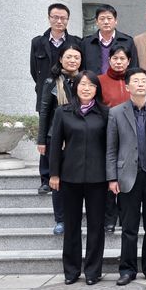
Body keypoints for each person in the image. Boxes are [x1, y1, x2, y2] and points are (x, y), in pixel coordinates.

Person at [106, 68, 146, 286]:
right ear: (127, 86)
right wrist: (112, 178)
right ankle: (127, 270)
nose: (141, 84)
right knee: (129, 228)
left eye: (144, 80)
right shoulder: (116, 113)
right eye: (136, 81)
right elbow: (111, 149)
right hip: (127, 177)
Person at [48, 71, 108, 286]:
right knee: (71, 225)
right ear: (75, 87)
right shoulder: (63, 112)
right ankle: (71, 270)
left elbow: (110, 147)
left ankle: (93, 271)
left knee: (96, 226)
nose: (86, 88)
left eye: (91, 85)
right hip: (70, 177)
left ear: (96, 89)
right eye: (82, 84)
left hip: (98, 178)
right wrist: (54, 173)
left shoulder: (105, 113)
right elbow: (55, 145)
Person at [30, 3, 81, 194]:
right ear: (49, 18)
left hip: (70, 94)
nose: (59, 21)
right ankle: (46, 177)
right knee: (48, 136)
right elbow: (34, 71)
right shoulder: (38, 42)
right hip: (49, 94)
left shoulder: (75, 41)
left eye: (63, 18)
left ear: (68, 20)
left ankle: (67, 173)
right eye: (55, 17)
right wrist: (48, 86)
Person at [36, 43, 83, 235]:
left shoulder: (84, 81)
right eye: (68, 57)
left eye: (76, 57)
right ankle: (61, 219)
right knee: (57, 181)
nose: (72, 60)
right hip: (56, 138)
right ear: (61, 59)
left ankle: (76, 217)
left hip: (79, 138)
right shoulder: (51, 82)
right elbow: (44, 112)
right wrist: (41, 140)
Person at [98, 45, 132, 234]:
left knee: (127, 177)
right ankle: (109, 218)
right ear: (109, 60)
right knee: (110, 177)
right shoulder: (100, 81)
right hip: (107, 134)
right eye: (115, 58)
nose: (119, 62)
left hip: (131, 136)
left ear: (129, 61)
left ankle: (125, 217)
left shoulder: (134, 80)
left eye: (122, 59)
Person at [81, 4, 138, 74]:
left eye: (109, 18)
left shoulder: (127, 41)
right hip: (93, 81)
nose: (106, 22)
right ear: (96, 22)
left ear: (116, 21)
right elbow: (82, 69)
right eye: (102, 19)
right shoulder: (86, 43)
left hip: (120, 80)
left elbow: (133, 67)